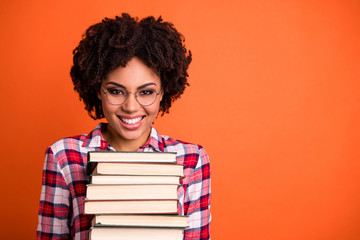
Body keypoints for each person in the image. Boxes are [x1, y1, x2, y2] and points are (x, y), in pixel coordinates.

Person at [37, 13, 211, 240]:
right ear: (98, 89)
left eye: (146, 92)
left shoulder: (192, 159)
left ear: (162, 93)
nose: (131, 107)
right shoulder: (63, 156)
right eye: (116, 91)